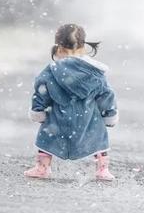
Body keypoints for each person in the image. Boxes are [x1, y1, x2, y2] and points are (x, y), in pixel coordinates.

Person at [24, 23, 119, 181]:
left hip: (58, 118)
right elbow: (106, 94)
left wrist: (38, 110)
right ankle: (103, 169)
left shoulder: (51, 71)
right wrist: (109, 114)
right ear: (83, 46)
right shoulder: (95, 73)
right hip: (89, 118)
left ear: (59, 47)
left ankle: (42, 168)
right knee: (99, 139)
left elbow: (41, 91)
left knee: (46, 138)